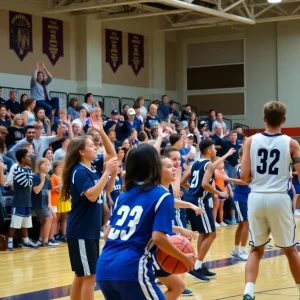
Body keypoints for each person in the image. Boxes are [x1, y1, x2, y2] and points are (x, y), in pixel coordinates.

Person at [96, 144, 195, 300]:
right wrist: (182, 257)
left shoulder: (123, 196)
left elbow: (107, 235)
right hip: (132, 268)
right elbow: (158, 238)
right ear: (153, 165)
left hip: (104, 268)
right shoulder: (162, 195)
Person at [241, 101, 300, 300]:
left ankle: (248, 292)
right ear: (284, 120)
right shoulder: (292, 143)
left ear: (263, 118)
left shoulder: (250, 141)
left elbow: (244, 177)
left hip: (256, 197)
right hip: (279, 199)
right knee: (290, 250)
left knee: (256, 249)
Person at [61, 113, 118, 300]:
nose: (96, 147)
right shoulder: (79, 172)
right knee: (90, 276)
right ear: (81, 152)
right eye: (91, 146)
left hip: (89, 230)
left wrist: (101, 132)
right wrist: (107, 172)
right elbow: (92, 196)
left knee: (81, 275)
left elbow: (112, 154)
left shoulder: (91, 166)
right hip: (81, 231)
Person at [181, 139, 228, 282]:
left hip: (192, 200)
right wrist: (219, 193)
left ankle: (198, 265)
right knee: (212, 234)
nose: (215, 151)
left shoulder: (195, 163)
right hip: (199, 201)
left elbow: (183, 181)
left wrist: (192, 191)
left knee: (205, 233)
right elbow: (204, 184)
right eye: (214, 149)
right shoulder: (209, 165)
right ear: (209, 150)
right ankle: (196, 267)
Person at [7, 149, 38, 250]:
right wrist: (29, 178)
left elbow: (29, 182)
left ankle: (26, 240)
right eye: (27, 156)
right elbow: (27, 183)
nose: (29, 158)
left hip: (27, 200)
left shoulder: (28, 169)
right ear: (22, 158)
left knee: (25, 222)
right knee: (15, 223)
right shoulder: (17, 169)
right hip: (18, 201)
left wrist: (29, 178)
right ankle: (10, 241)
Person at [223, 148, 250, 260]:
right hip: (240, 197)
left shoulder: (249, 166)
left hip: (248, 196)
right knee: (246, 224)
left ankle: (235, 250)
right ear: (240, 155)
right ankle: (243, 250)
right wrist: (228, 178)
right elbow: (244, 181)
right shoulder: (240, 166)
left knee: (242, 224)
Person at [33, 158, 59, 247]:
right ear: (40, 165)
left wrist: (49, 203)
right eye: (45, 165)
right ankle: (46, 241)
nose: (47, 166)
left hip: (45, 203)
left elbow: (48, 191)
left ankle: (41, 239)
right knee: (49, 218)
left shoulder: (48, 177)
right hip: (37, 203)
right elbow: (36, 191)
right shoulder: (35, 176)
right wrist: (42, 181)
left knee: (45, 221)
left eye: (48, 165)